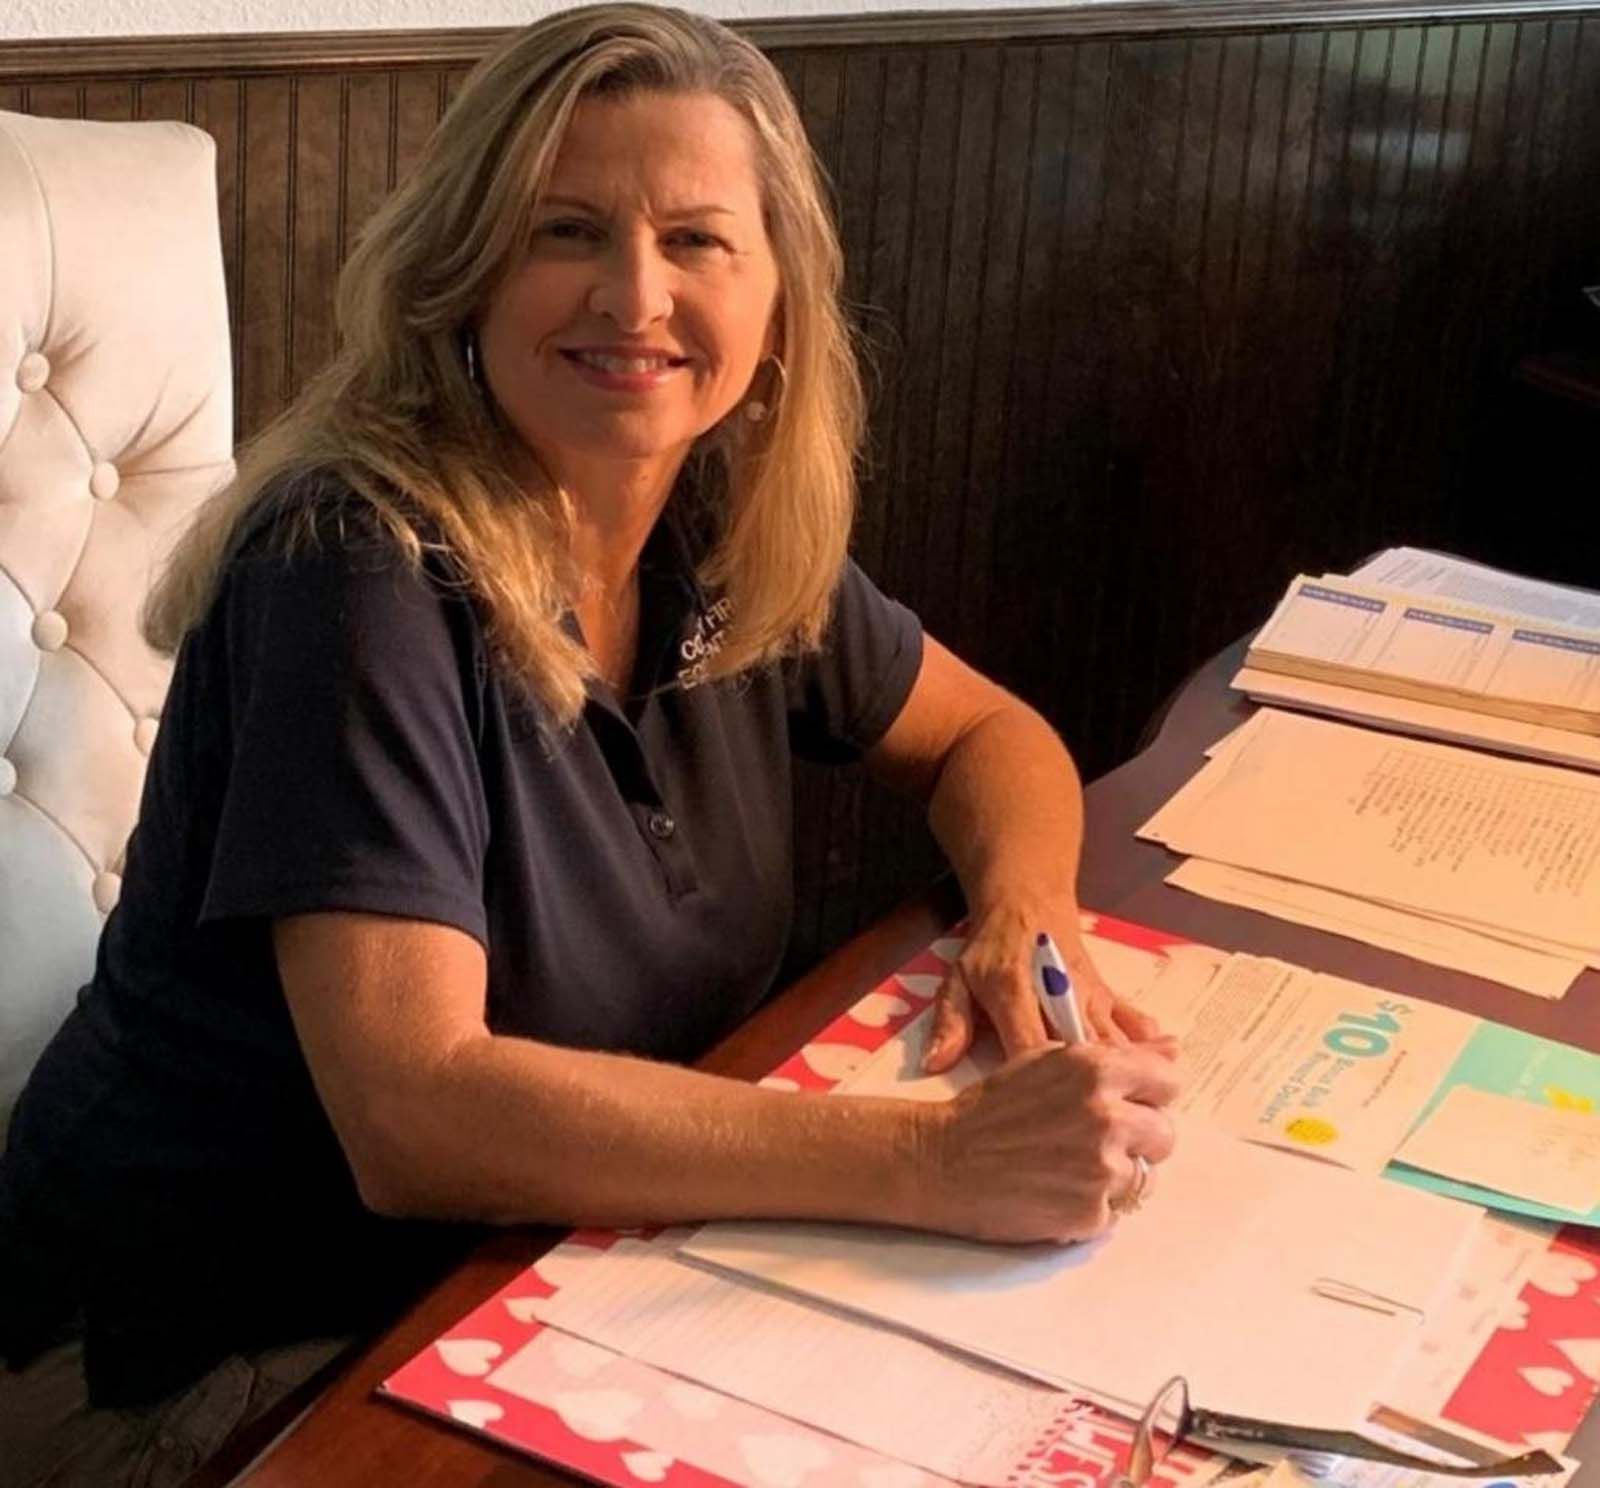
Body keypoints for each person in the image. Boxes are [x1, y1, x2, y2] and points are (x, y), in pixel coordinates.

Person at [0, 5, 1180, 1482]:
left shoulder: (723, 528)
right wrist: (937, 1162)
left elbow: (987, 737)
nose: (636, 295)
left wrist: (1026, 920)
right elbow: (417, 1111)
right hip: (211, 1354)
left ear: (780, 301)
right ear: (464, 275)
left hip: (541, 1269)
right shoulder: (353, 567)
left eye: (698, 240)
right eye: (566, 231)